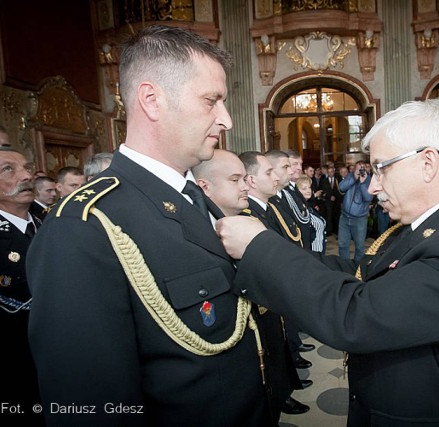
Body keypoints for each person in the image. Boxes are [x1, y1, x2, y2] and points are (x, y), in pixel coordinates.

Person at [216, 99, 439, 427]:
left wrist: (259, 248)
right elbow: (361, 274)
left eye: (382, 167)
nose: (373, 186)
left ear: (427, 163)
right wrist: (266, 250)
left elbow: (359, 315)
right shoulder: (424, 227)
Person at [26, 25, 270, 426]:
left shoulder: (196, 197)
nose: (225, 119)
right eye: (212, 101)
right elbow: (91, 407)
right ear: (152, 100)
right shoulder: (84, 228)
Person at [193, 149, 310, 420]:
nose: (246, 185)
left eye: (245, 179)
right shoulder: (202, 232)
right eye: (236, 180)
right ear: (204, 186)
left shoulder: (243, 220)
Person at [0, 147, 42, 425]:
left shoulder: (52, 219)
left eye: (26, 167)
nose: (26, 175)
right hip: (15, 365)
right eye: (8, 170)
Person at [338, 160, 373, 263]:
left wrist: (362, 183)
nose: (360, 171)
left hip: (359, 220)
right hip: (344, 217)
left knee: (359, 247)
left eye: (362, 168)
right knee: (343, 245)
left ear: (366, 169)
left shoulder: (369, 180)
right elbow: (341, 187)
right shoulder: (350, 176)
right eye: (358, 169)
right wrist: (354, 178)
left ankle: (357, 269)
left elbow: (368, 198)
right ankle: (345, 267)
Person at [296, 175, 327, 253]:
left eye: (309, 187)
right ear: (296, 191)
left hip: (319, 253)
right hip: (312, 255)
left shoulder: (308, 207)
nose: (308, 190)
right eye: (304, 188)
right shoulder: (299, 210)